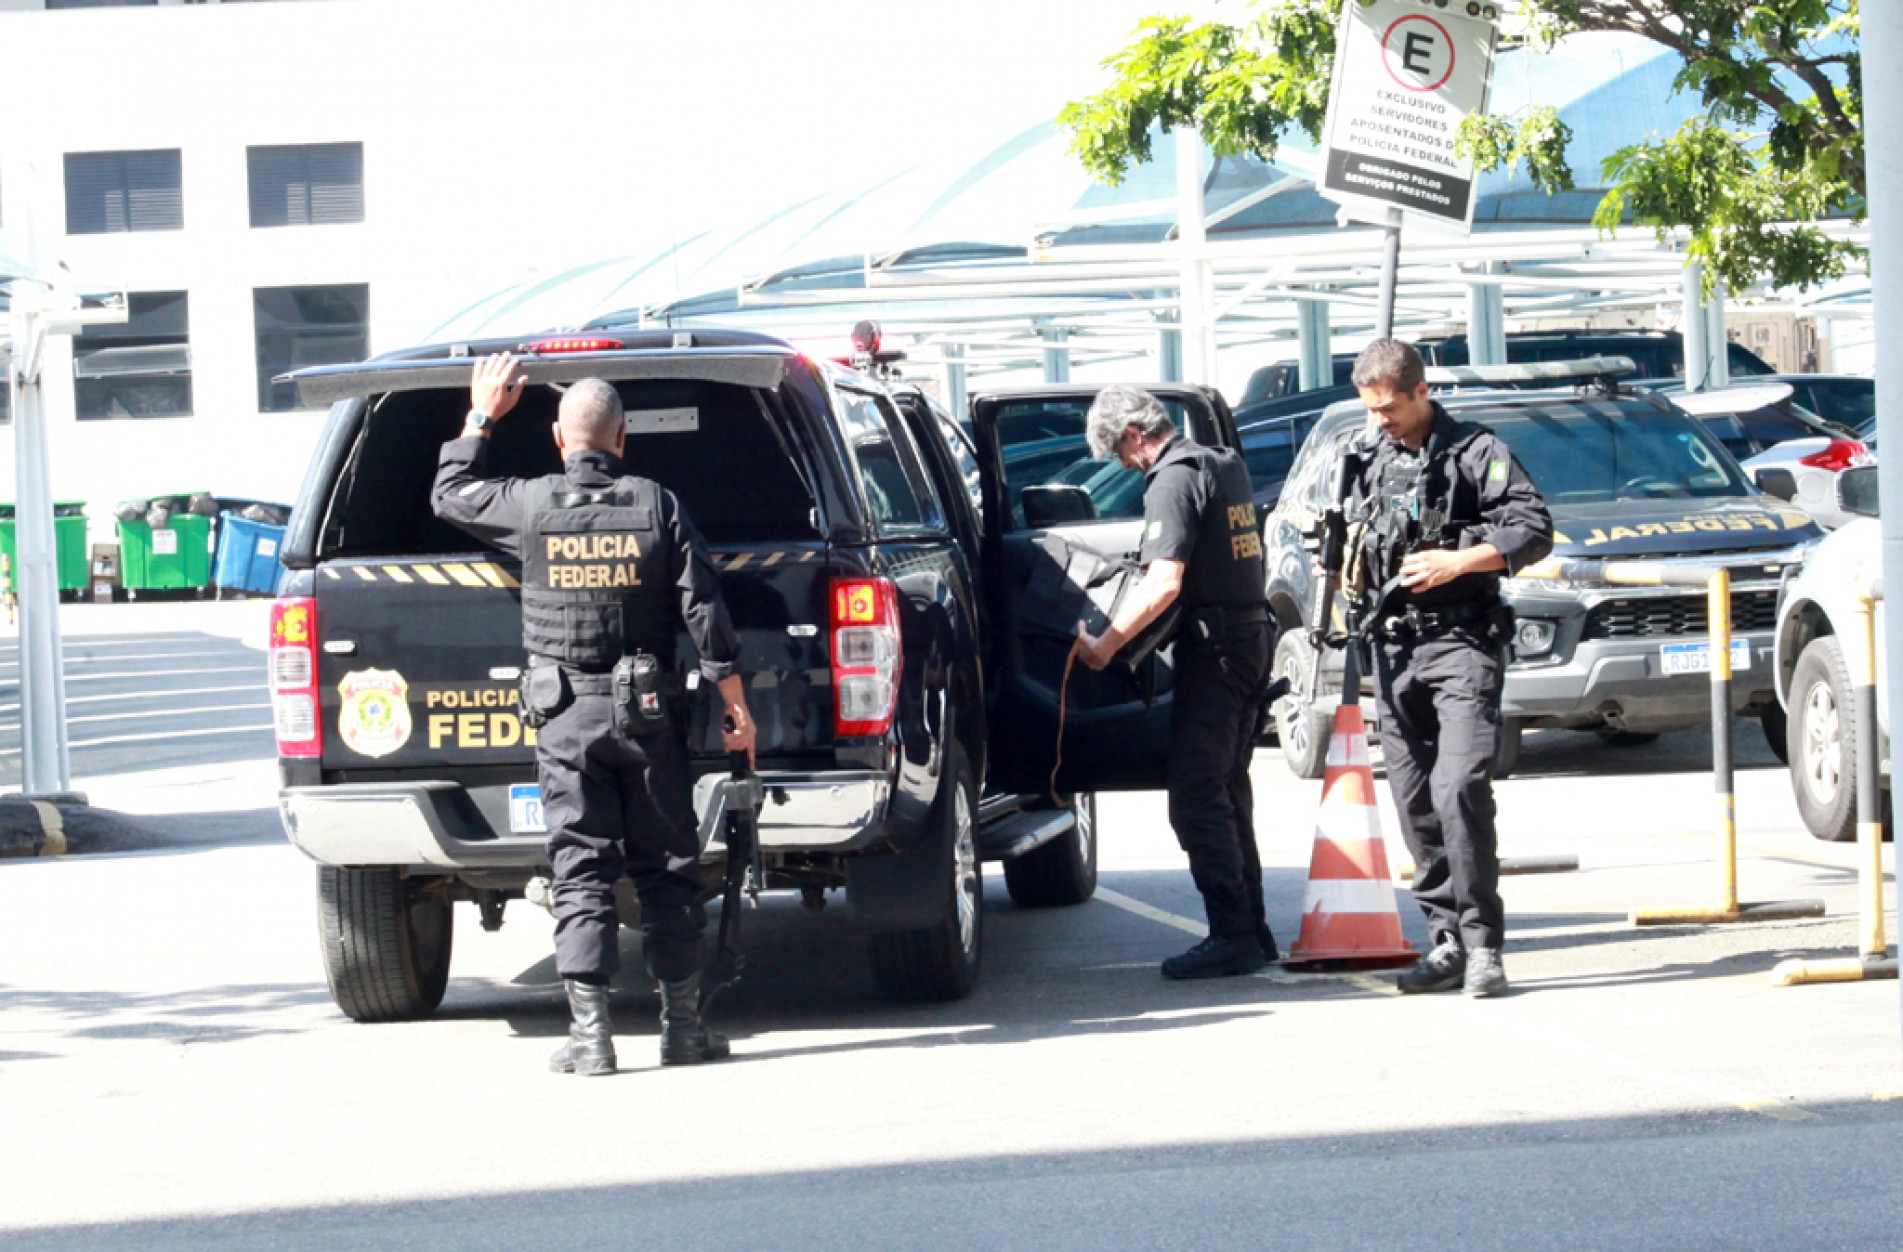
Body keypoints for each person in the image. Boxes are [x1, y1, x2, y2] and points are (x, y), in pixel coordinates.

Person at [432, 354, 756, 1074]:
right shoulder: (656, 503)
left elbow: (449, 494)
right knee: (668, 870)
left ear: (557, 437)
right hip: (645, 715)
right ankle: (682, 1031)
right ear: (622, 439)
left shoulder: (530, 504)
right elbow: (702, 605)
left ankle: (591, 1040)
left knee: (579, 871)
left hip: (564, 717)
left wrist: (482, 414)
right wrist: (735, 707)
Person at [1340, 339, 1553, 998]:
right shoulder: (1365, 457)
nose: (1380, 420)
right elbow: (1348, 530)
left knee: (1457, 785)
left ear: (1420, 390)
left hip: (1461, 642)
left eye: (1389, 408)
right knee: (1412, 803)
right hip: (1390, 647)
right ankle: (1445, 939)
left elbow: (1533, 528)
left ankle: (1483, 943)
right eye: (1370, 409)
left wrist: (1458, 562)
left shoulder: (1476, 452)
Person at [1075, 385, 1278, 979]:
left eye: (1119, 453)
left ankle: (1233, 934)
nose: (1122, 465)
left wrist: (1106, 647)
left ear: (1135, 436)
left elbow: (1165, 582)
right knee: (1227, 790)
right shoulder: (1223, 464)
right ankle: (1252, 927)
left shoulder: (1172, 477)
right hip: (1249, 640)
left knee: (1195, 797)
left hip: (1214, 655)